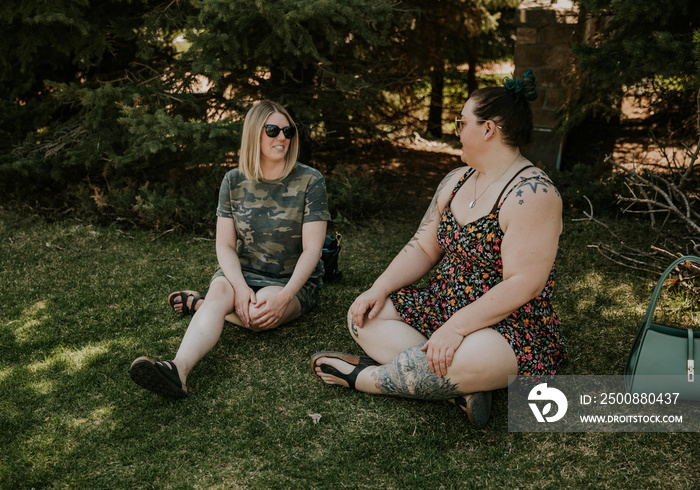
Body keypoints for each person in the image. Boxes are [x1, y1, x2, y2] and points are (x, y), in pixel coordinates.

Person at [311, 71, 567, 426]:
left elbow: (524, 283)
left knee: (469, 358)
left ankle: (365, 378)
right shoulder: (456, 180)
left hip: (507, 324)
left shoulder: (533, 195)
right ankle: (456, 386)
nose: (457, 131)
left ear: (488, 129)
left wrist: (457, 328)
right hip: (443, 304)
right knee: (363, 319)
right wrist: (378, 288)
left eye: (462, 123)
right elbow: (423, 247)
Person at [131, 100, 331, 399]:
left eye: (288, 131)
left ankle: (203, 306)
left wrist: (287, 295)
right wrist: (238, 286)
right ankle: (178, 370)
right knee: (224, 295)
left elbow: (312, 250)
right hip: (243, 270)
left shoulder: (310, 180)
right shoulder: (233, 181)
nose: (282, 138)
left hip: (291, 280)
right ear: (254, 134)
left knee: (258, 316)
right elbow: (224, 245)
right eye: (273, 130)